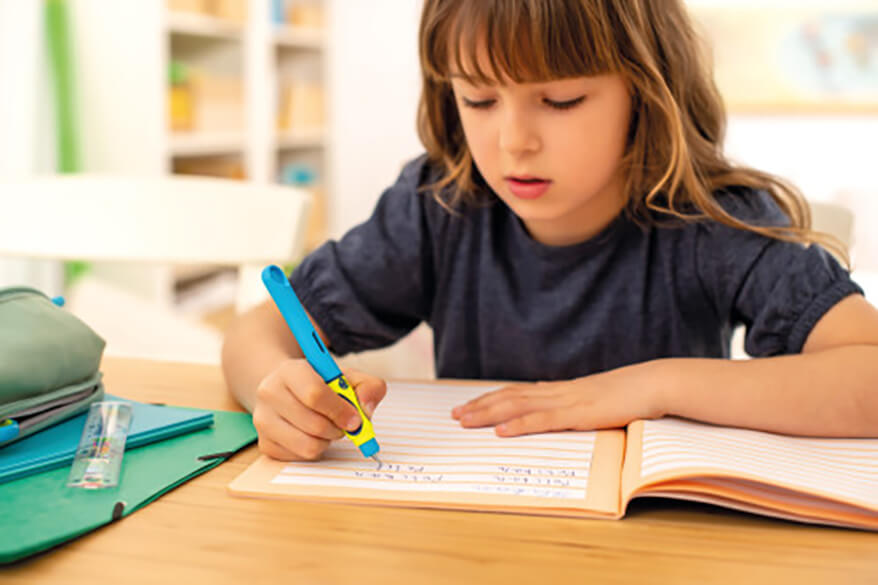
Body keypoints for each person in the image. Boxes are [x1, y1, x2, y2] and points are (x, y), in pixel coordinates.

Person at [222, 0, 878, 461]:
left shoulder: (710, 220)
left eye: (560, 100)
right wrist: (273, 392)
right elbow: (259, 330)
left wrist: (650, 386)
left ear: (647, 91)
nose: (513, 143)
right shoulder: (439, 204)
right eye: (478, 99)